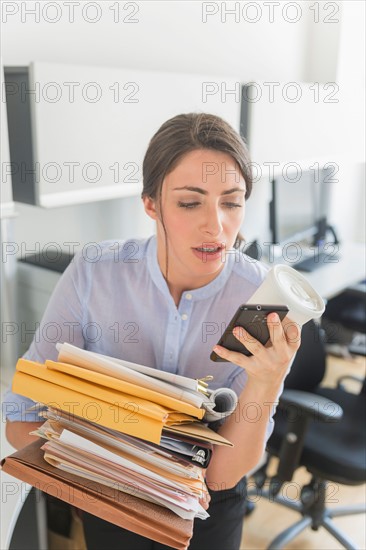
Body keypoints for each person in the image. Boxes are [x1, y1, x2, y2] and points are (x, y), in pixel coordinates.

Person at [4, 113, 301, 550]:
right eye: (189, 202)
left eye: (231, 202)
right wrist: (104, 466)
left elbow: (221, 474)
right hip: (106, 491)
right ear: (150, 203)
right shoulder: (94, 274)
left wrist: (268, 380)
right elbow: (22, 417)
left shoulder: (257, 295)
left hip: (207, 503)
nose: (215, 226)